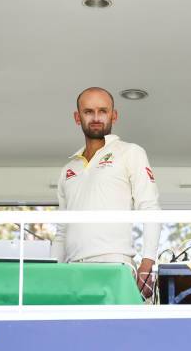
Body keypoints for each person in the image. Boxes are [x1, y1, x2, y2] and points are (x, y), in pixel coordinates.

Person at [51, 86, 161, 298]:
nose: (96, 117)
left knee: (117, 331)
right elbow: (62, 230)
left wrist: (148, 261)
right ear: (77, 117)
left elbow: (150, 207)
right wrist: (52, 271)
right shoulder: (68, 169)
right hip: (72, 270)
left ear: (114, 115)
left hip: (115, 264)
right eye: (88, 111)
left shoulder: (130, 152)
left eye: (103, 111)